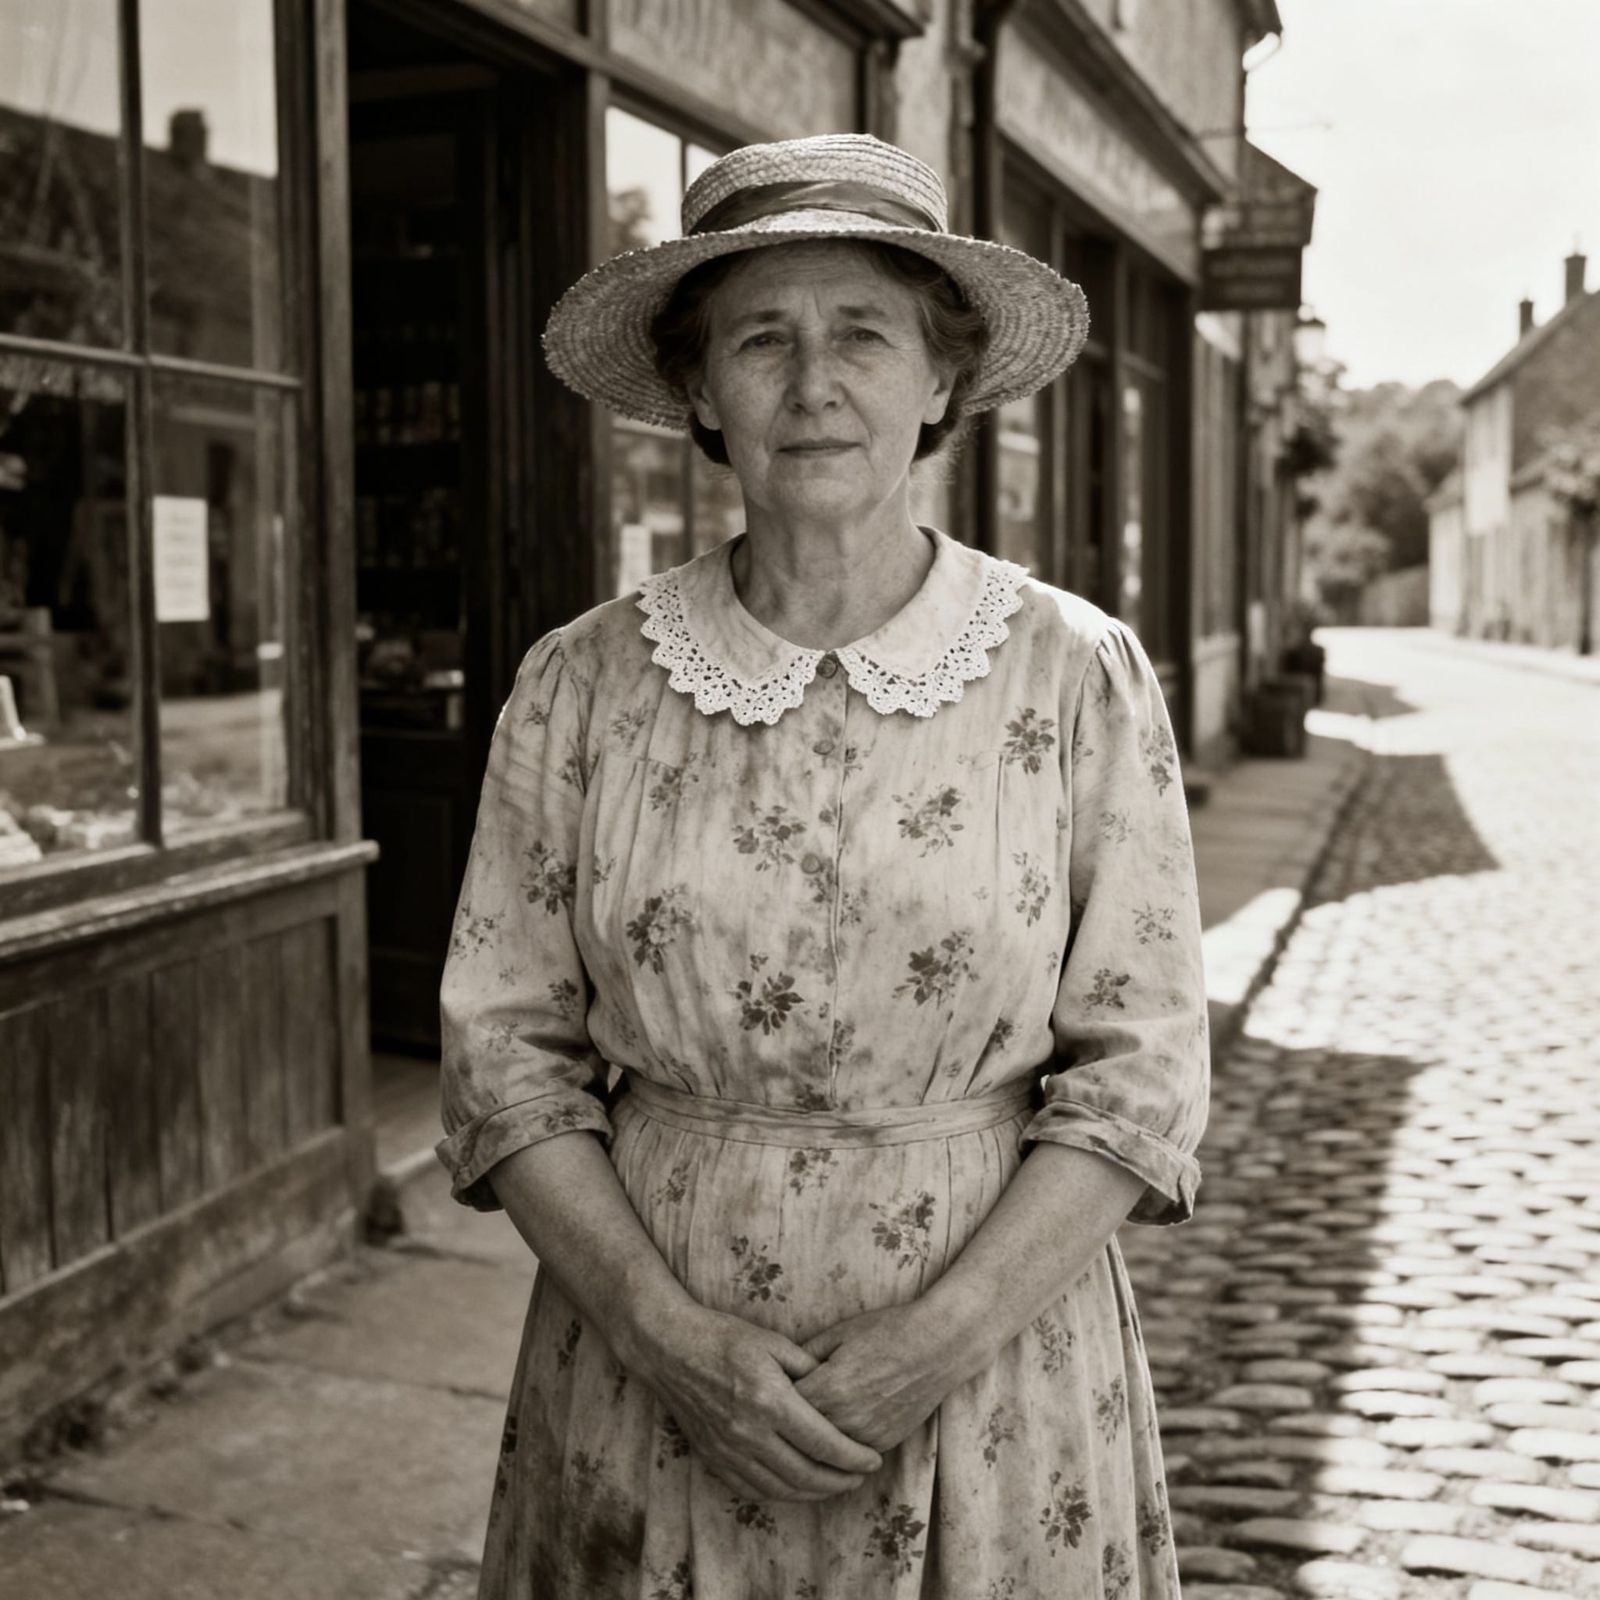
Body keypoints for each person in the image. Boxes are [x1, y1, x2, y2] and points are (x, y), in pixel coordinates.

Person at [436, 132, 1208, 1599]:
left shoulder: (1074, 674)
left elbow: (1143, 1071)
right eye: (759, 339)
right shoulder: (581, 685)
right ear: (698, 396)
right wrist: (676, 1344)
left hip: (995, 1380)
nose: (813, 382)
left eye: (864, 332)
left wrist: (933, 1344)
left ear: (941, 384)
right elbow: (503, 1056)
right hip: (648, 1382)